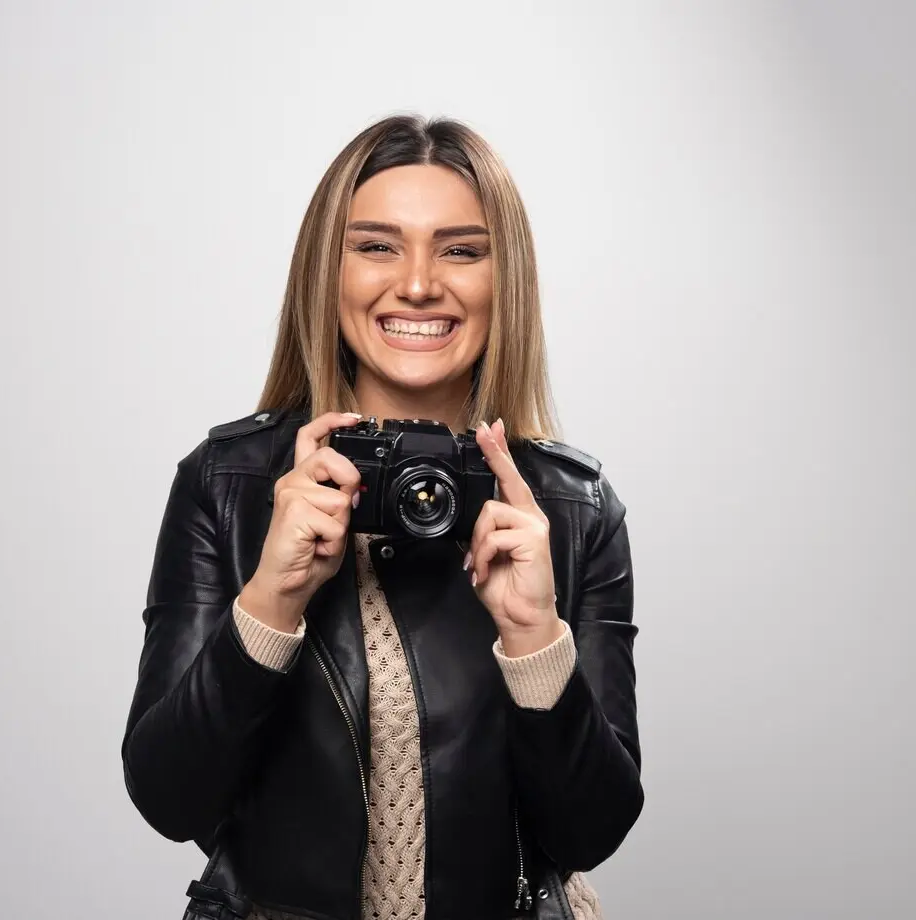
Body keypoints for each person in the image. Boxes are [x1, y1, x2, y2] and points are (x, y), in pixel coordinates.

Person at [121, 115, 643, 920]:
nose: (419, 284)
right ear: (326, 272)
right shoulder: (226, 485)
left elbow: (590, 830)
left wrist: (537, 639)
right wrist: (271, 602)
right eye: (376, 245)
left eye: (461, 249)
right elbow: (170, 799)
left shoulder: (569, 512)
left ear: (507, 280)